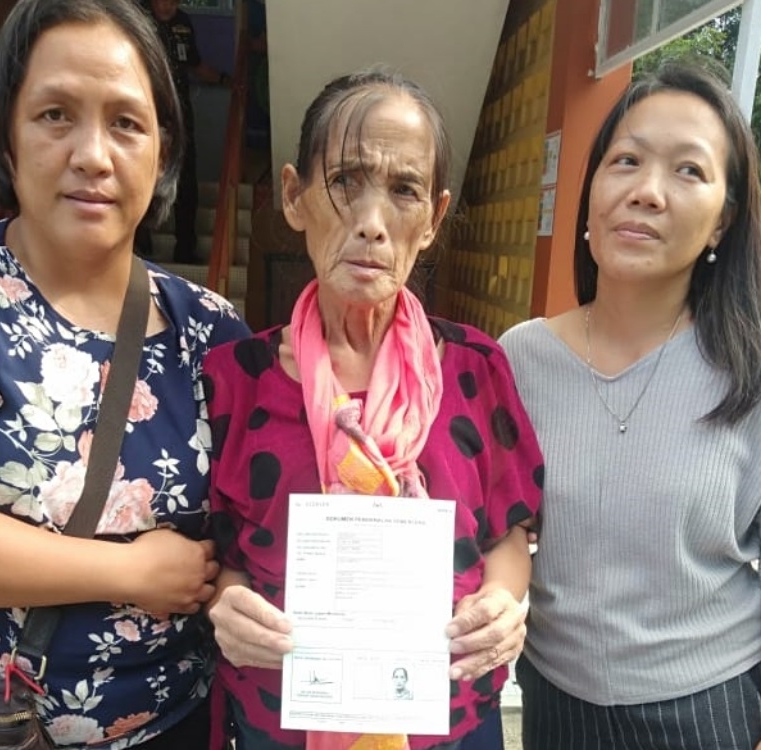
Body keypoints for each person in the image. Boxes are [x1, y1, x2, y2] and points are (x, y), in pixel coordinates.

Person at [0, 0, 249, 747]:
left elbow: (247, 525)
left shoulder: (211, 330)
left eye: (126, 123)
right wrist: (125, 573)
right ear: (8, 136)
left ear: (163, 152)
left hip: (172, 724)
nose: (93, 154)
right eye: (54, 114)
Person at [201, 69, 545, 750]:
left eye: (404, 191)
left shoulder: (476, 368)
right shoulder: (233, 381)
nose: (371, 223)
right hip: (284, 719)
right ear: (296, 197)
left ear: (434, 219)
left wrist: (505, 601)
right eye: (346, 182)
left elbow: (508, 534)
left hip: (449, 721)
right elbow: (217, 552)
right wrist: (225, 608)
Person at [499, 60, 761, 749]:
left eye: (689, 171)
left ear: (722, 221)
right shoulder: (520, 357)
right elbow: (495, 530)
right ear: (591, 191)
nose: (648, 192)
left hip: (710, 710)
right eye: (626, 160)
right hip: (556, 706)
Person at [138, 0, 231, 263]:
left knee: (186, 181)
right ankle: (139, 235)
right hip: (148, 113)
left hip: (179, 115)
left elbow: (195, 64)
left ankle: (185, 247)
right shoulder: (139, 19)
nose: (168, 5)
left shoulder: (183, 23)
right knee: (145, 173)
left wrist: (225, 80)